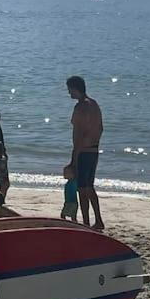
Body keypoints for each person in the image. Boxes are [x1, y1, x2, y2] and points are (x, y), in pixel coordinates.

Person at [68, 75, 104, 229]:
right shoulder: (94, 104)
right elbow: (100, 128)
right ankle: (98, 219)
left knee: (82, 189)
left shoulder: (80, 107)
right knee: (89, 187)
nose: (69, 93)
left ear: (76, 89)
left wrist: (74, 158)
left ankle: (86, 222)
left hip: (83, 151)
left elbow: (78, 134)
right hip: (94, 150)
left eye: (70, 90)